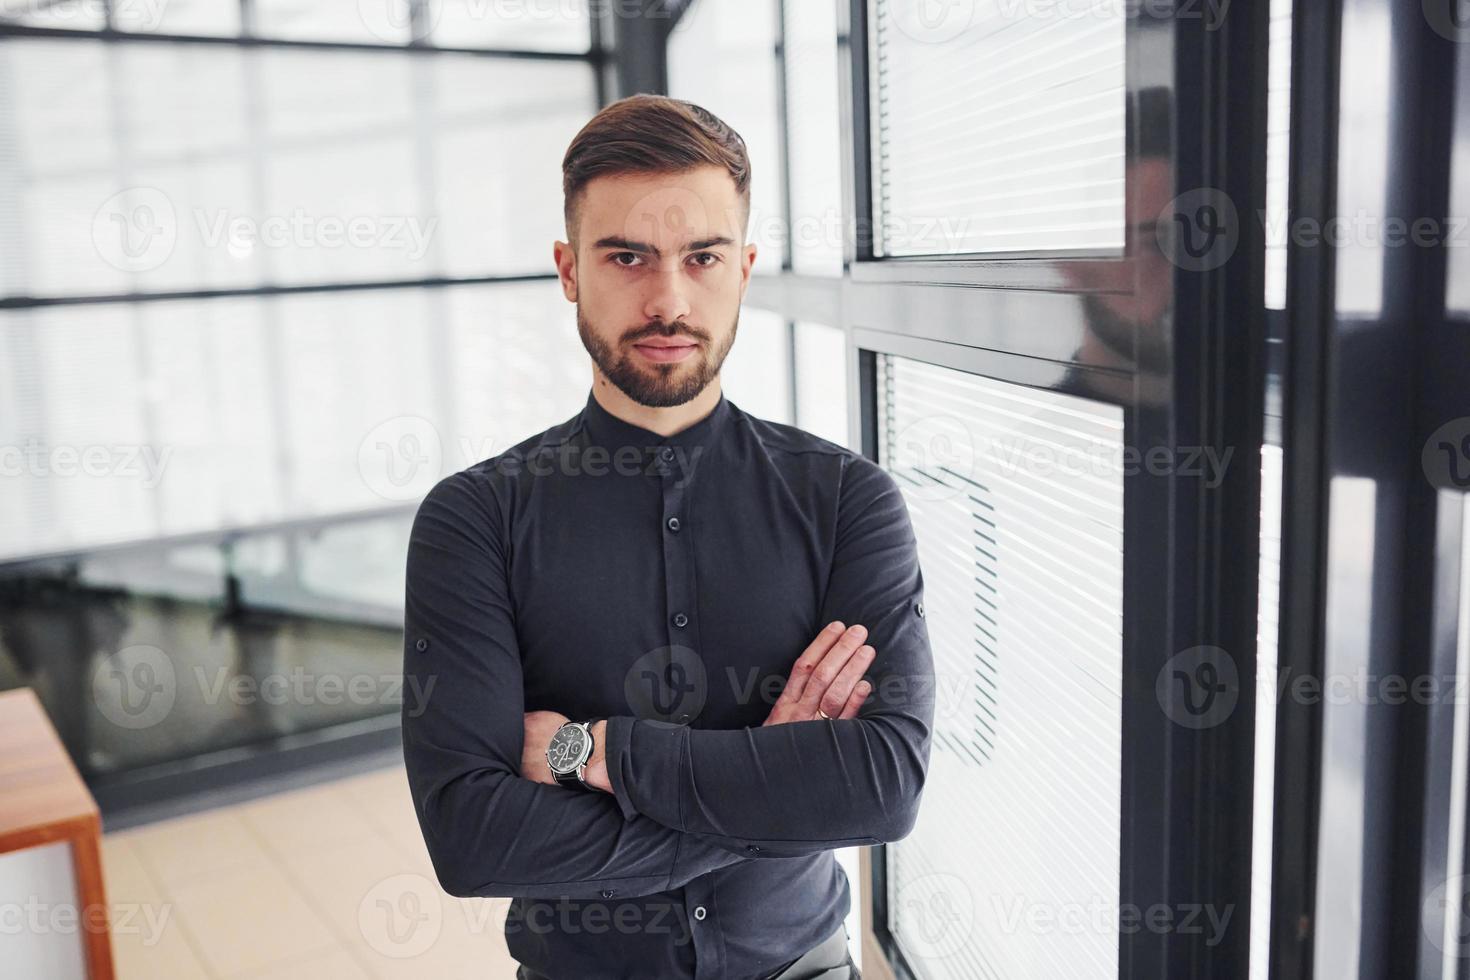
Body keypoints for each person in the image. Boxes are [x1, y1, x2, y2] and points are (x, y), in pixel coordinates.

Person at [401, 93, 935, 980]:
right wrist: (772, 786)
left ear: (746, 267)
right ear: (570, 269)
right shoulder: (474, 520)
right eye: (627, 257)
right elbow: (472, 840)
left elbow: (882, 786)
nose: (668, 300)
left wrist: (591, 752)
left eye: (702, 256)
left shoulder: (849, 501)